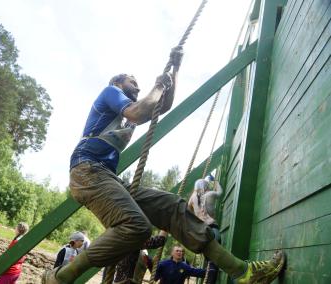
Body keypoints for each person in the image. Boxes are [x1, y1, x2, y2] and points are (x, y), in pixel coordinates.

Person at [42, 46, 284, 284]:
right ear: (118, 81)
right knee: (136, 226)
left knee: (172, 207)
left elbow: (161, 106)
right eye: (131, 80)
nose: (136, 84)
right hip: (87, 171)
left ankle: (243, 272)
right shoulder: (110, 92)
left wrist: (175, 71)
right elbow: (139, 112)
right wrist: (158, 85)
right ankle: (63, 276)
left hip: (105, 174)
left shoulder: (128, 107)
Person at [188, 175, 223, 283]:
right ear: (206, 187)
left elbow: (189, 210)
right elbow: (220, 193)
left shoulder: (192, 199)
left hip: (201, 232)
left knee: (209, 262)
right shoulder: (210, 194)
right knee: (214, 264)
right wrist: (215, 181)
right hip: (212, 229)